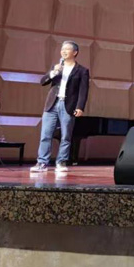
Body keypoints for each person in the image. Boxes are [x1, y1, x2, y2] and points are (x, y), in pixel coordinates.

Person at [30, 41, 89, 173]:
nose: (63, 51)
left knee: (66, 136)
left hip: (68, 105)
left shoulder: (82, 70)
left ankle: (61, 162)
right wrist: (54, 72)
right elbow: (43, 82)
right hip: (52, 104)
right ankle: (42, 162)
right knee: (46, 134)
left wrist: (80, 107)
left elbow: (83, 90)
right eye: (62, 49)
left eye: (67, 49)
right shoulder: (56, 67)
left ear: (75, 52)